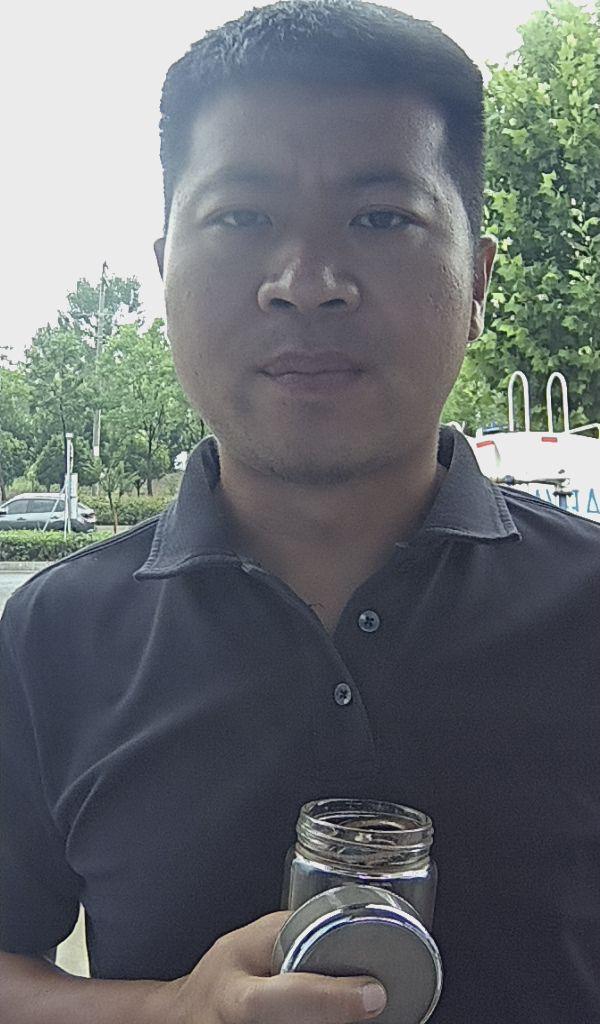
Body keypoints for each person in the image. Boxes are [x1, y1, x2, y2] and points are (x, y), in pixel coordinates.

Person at [1, 1, 599, 1020]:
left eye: (382, 219)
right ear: (165, 273)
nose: (307, 284)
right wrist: (170, 1010)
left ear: (477, 281)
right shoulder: (52, 638)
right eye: (243, 218)